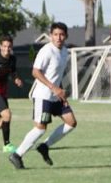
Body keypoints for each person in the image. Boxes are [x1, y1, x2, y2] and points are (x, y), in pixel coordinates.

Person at [9, 22, 77, 169]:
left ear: (66, 36)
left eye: (62, 34)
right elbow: (35, 72)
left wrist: (61, 91)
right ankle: (17, 155)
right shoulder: (46, 51)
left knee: (71, 122)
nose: (58, 37)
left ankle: (44, 146)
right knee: (40, 128)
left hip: (55, 95)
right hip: (43, 95)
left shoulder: (65, 51)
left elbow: (56, 75)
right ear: (51, 36)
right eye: (55, 34)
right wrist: (53, 87)